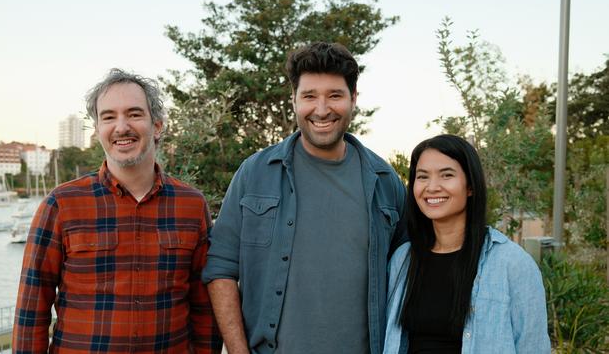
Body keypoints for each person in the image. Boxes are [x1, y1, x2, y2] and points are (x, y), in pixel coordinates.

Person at [202, 42, 407, 354]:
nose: (322, 109)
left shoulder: (386, 182)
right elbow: (221, 268)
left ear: (354, 100)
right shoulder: (255, 173)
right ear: (294, 100)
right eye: (309, 96)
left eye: (335, 95)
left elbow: (409, 274)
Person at [12, 69, 221, 353]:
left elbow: (203, 307)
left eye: (134, 114)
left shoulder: (192, 205)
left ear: (157, 126)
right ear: (98, 129)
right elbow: (31, 309)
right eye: (109, 117)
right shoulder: (61, 205)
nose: (121, 127)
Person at [383, 134, 550, 353]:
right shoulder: (403, 260)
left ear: (470, 186)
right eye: (422, 177)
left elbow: (533, 347)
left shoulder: (513, 264)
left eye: (446, 175)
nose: (432, 187)